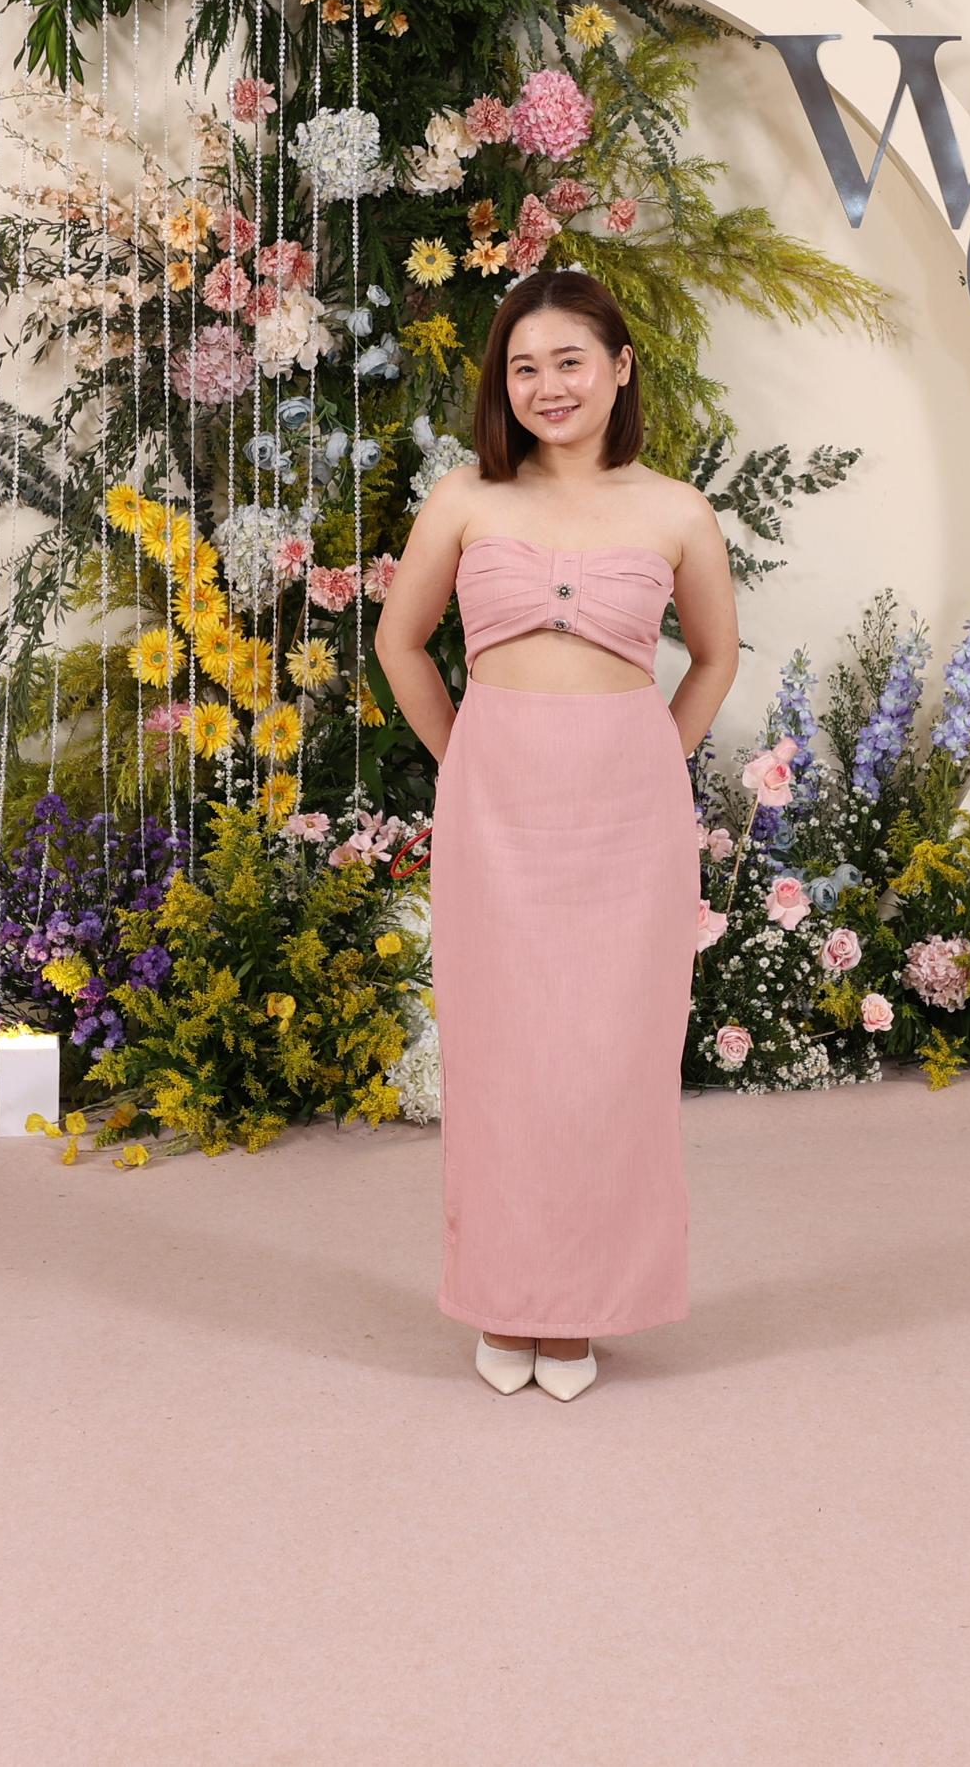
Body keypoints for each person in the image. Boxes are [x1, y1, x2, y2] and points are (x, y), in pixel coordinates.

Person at [371, 267, 737, 1403]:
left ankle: (580, 1306)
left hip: (630, 817)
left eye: (568, 361)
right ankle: (505, 1296)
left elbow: (716, 655)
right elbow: (398, 642)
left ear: (619, 367)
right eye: (523, 367)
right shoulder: (466, 499)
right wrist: (466, 759)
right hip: (496, 810)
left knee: (610, 1060)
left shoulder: (677, 511)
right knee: (502, 1058)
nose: (547, 385)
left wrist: (655, 758)